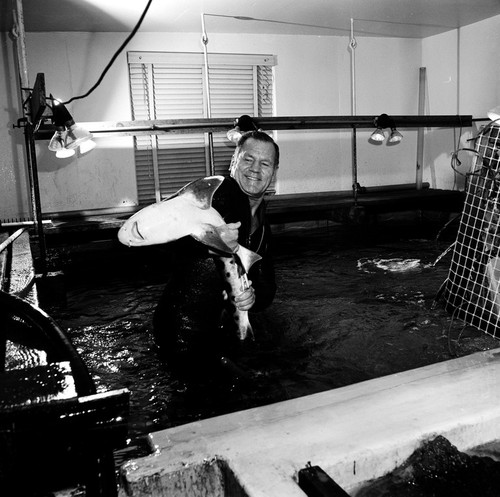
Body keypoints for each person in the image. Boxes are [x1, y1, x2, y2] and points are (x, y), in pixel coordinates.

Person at [152, 127, 280, 379]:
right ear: (233, 161)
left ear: (274, 172)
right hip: (182, 331)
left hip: (221, 333)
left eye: (265, 163)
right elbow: (153, 241)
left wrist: (254, 297)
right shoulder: (212, 198)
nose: (255, 169)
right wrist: (205, 241)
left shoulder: (262, 223)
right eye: (248, 159)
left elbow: (268, 286)